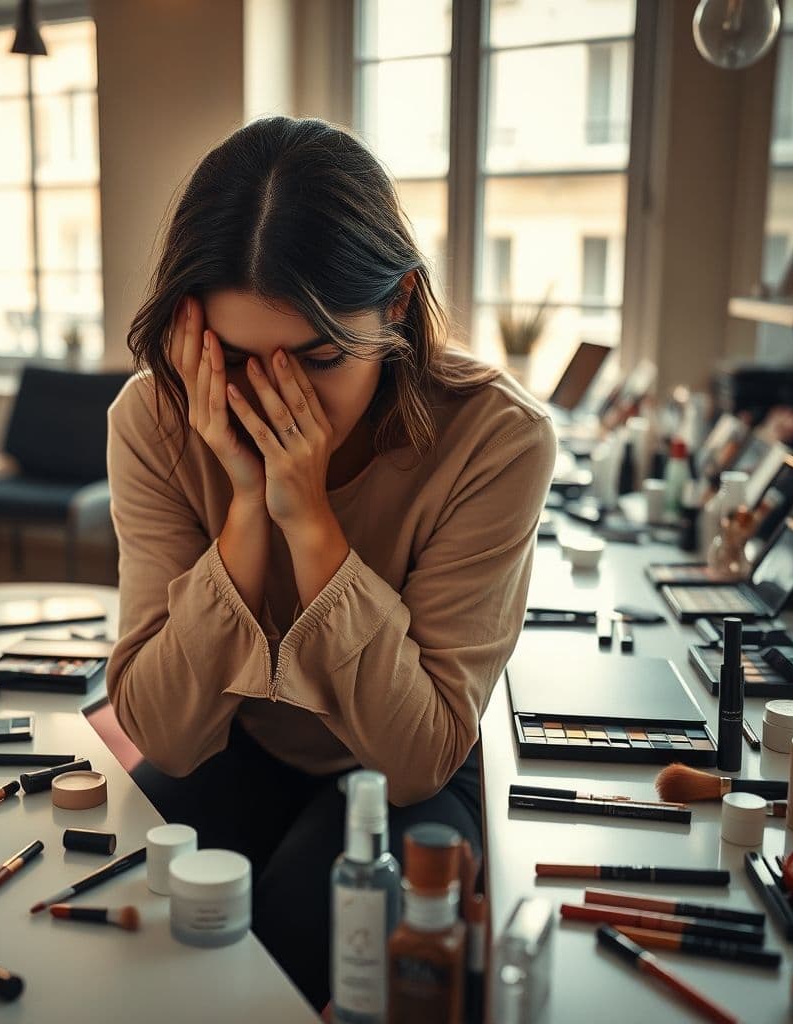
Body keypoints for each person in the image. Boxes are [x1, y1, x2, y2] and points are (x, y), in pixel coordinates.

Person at [106, 116, 556, 1011]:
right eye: (235, 360)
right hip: (249, 738)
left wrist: (307, 514)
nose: (276, 400)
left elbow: (418, 753)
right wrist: (245, 506)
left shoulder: (498, 440)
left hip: (402, 763)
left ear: (396, 305)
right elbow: (164, 731)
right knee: (137, 905)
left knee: (298, 932)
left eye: (318, 358)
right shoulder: (154, 421)